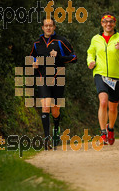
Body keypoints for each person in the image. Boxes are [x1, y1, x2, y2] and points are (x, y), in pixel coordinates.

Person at [87, 12, 119, 145]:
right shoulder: (96, 39)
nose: (108, 24)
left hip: (116, 77)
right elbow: (90, 53)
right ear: (101, 24)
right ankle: (103, 133)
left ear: (114, 24)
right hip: (100, 74)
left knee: (113, 108)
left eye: (111, 21)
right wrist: (90, 61)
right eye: (105, 22)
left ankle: (111, 129)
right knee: (103, 102)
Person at [30, 17, 77, 150]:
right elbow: (31, 57)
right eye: (46, 25)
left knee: (55, 110)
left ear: (54, 27)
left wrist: (59, 56)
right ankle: (46, 140)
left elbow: (74, 57)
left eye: (51, 25)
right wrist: (33, 63)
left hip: (58, 78)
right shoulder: (36, 43)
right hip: (42, 78)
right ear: (42, 28)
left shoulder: (61, 41)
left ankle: (56, 128)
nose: (48, 28)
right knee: (45, 106)